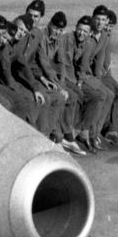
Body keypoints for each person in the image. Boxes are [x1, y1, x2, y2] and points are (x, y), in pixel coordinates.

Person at [34, 12, 84, 153]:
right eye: (55, 28)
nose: (58, 32)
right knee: (59, 97)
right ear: (49, 24)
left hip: (50, 76)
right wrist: (59, 88)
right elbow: (44, 64)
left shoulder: (59, 39)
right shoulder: (42, 37)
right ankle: (56, 136)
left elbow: (61, 64)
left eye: (61, 30)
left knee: (72, 96)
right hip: (40, 74)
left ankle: (67, 135)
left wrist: (62, 85)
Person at [70, 15, 111, 152]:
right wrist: (81, 81)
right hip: (77, 76)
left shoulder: (91, 42)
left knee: (108, 94)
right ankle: (86, 132)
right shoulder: (71, 39)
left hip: (84, 75)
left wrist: (96, 79)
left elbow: (91, 63)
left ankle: (94, 133)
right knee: (99, 94)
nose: (83, 34)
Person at [101, 9, 118, 147]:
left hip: (105, 75)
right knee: (111, 91)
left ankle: (113, 132)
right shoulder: (98, 36)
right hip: (95, 75)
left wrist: (111, 79)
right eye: (107, 25)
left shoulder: (107, 38)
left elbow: (107, 64)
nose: (109, 29)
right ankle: (106, 128)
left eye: (111, 27)